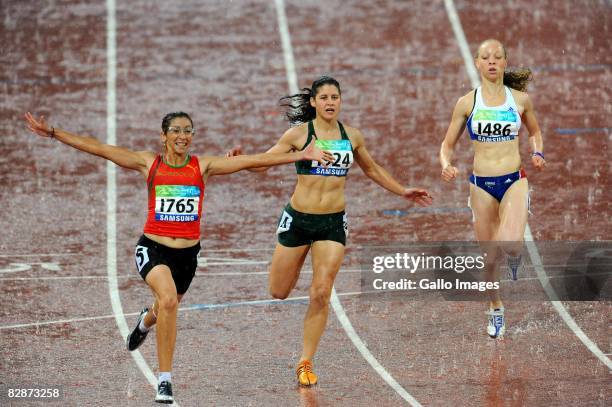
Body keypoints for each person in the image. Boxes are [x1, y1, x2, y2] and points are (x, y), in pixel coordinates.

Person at [24, 111, 332, 404]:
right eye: (176, 130)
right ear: (163, 136)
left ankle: (145, 322)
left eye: (188, 131)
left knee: (165, 305)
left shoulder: (203, 166)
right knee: (169, 300)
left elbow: (256, 160)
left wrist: (300, 155)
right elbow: (101, 149)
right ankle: (165, 380)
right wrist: (53, 132)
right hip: (153, 249)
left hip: (187, 256)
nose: (183, 136)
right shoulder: (149, 164)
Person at [229, 76, 433, 386]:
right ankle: (296, 265)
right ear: (312, 102)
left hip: (332, 223)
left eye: (334, 97)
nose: (329, 102)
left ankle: (305, 361)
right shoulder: (299, 135)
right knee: (279, 291)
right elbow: (265, 163)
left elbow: (372, 169)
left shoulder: (352, 137)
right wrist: (241, 160)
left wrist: (402, 191)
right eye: (323, 97)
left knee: (321, 291)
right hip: (298, 220)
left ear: (340, 101)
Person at [439, 39, 545, 338]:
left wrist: (538, 153)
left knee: (510, 244)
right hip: (481, 185)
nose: (492, 61)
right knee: (488, 259)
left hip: (514, 179)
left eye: (497, 57)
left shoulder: (520, 100)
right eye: (485, 57)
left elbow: (535, 132)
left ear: (505, 62)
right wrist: (446, 164)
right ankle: (496, 308)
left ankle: (514, 252)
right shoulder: (467, 103)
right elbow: (447, 145)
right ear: (477, 63)